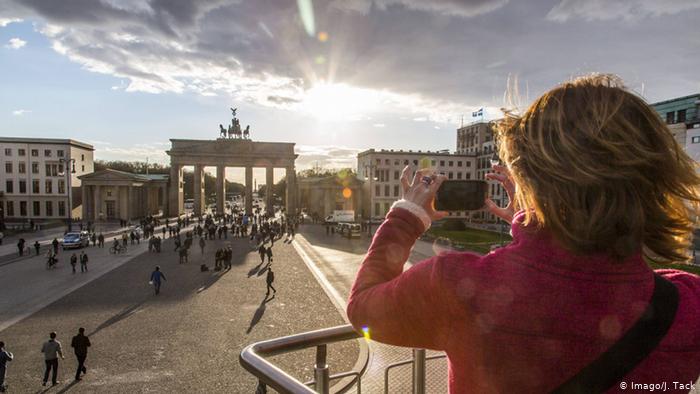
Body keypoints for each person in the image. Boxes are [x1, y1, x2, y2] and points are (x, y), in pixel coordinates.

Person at [345, 75, 700, 393]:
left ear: (531, 177)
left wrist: (408, 215)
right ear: (658, 178)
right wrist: (533, 216)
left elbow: (363, 312)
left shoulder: (458, 285)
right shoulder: (687, 306)